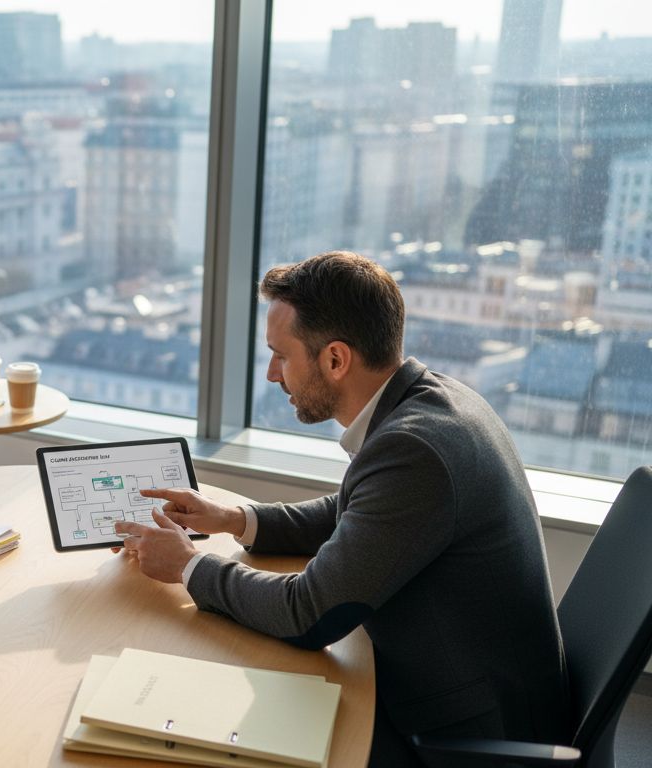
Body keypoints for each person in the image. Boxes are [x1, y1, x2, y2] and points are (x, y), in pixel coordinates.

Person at [114, 251, 568, 765]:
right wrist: (234, 519)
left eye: (281, 356)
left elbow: (308, 614)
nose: (270, 374)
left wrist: (188, 566)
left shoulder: (414, 451)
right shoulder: (432, 402)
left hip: (462, 735)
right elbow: (356, 512)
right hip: (469, 685)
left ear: (335, 359)